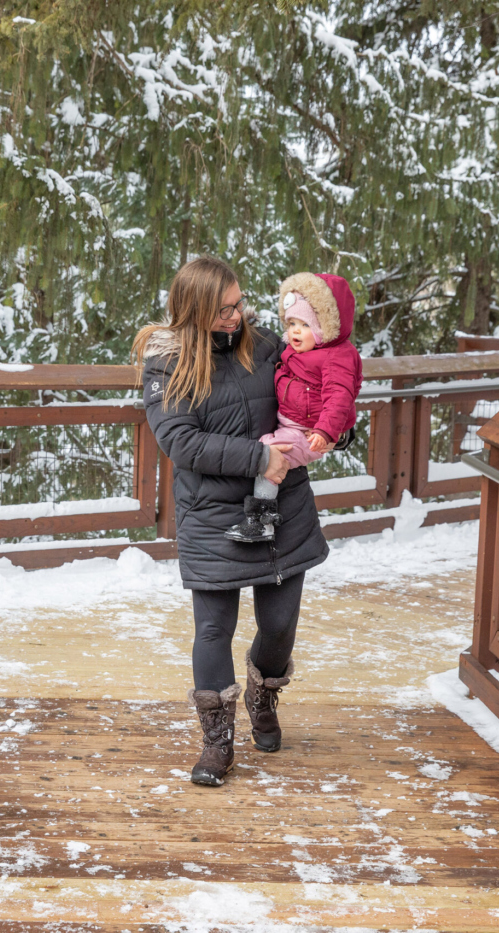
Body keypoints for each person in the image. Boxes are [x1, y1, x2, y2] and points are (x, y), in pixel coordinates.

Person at [132, 256, 330, 787]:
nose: (236, 316)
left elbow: (314, 390)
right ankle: (217, 741)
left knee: (279, 626)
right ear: (193, 310)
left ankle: (264, 695)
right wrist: (258, 458)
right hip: (213, 518)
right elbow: (181, 442)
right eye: (223, 309)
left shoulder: (266, 347)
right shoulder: (166, 366)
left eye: (239, 304)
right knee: (214, 629)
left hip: (282, 511)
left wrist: (331, 428)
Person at [226, 273, 363, 543]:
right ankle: (260, 518)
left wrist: (327, 430)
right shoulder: (294, 351)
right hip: (292, 424)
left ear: (325, 327)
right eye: (291, 323)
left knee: (270, 456)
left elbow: (339, 396)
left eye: (305, 324)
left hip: (307, 433)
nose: (295, 331)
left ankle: (261, 521)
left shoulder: (335, 357)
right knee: (269, 451)